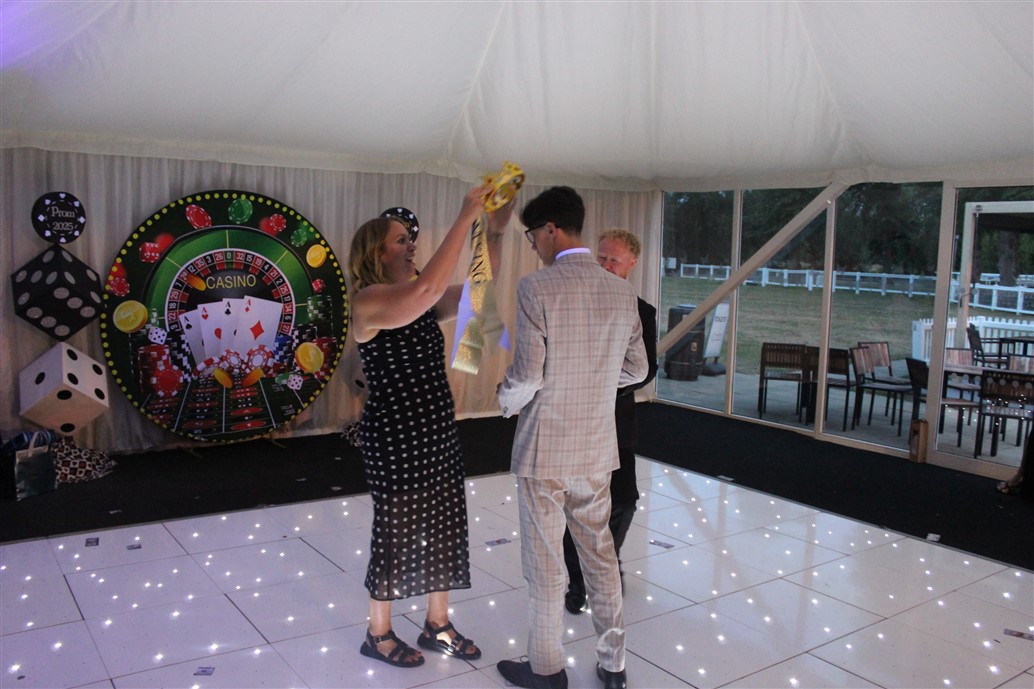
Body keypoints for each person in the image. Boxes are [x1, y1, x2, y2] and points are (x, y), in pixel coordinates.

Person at [348, 183, 509, 668]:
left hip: (436, 427)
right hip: (395, 435)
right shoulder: (369, 301)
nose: (411, 245)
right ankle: (378, 633)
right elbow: (428, 290)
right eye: (401, 240)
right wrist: (464, 215)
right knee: (396, 530)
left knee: (444, 526)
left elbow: (478, 293)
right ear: (377, 253)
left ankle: (437, 624)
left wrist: (494, 231)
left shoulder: (417, 300)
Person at [496, 187, 649, 689]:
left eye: (531, 236)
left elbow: (527, 376)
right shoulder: (621, 291)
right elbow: (638, 369)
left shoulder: (537, 287)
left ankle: (546, 668)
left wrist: (504, 400)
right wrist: (594, 383)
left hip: (545, 449)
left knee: (544, 563)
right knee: (600, 557)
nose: (533, 246)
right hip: (596, 446)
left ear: (550, 230)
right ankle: (613, 666)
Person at [562, 228, 658, 614]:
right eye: (600, 257)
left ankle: (605, 562)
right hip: (576, 422)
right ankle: (578, 580)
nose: (604, 265)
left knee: (624, 503)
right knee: (576, 507)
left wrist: (601, 382)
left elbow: (647, 369)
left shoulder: (642, 311)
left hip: (617, 420)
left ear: (631, 264)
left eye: (614, 260)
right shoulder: (573, 303)